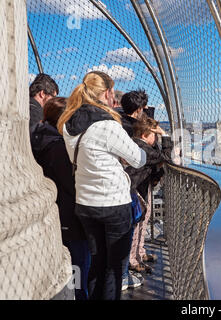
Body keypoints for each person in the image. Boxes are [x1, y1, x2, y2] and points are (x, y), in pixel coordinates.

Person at [57, 71, 147, 300]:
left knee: (96, 263)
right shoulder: (107, 125)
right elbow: (138, 158)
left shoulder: (68, 125)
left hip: (85, 205)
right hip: (114, 204)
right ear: (107, 93)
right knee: (114, 270)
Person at [30, 97, 90, 300]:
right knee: (79, 266)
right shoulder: (57, 147)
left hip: (54, 214)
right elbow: (72, 185)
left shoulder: (38, 139)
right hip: (70, 217)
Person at [124, 115, 173, 277]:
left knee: (141, 222)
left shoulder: (139, 145)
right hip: (136, 189)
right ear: (145, 135)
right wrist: (165, 135)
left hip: (138, 188)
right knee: (137, 225)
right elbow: (165, 157)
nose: (156, 137)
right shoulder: (142, 148)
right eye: (155, 135)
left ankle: (138, 253)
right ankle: (133, 259)